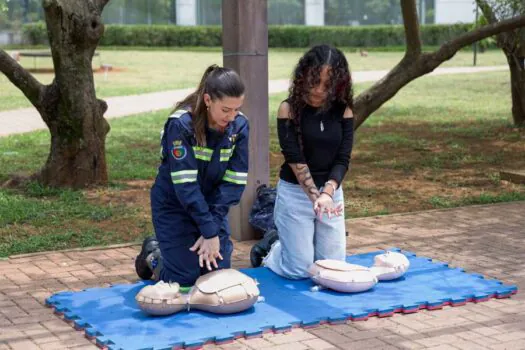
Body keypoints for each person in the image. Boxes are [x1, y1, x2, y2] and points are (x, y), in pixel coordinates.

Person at [134, 65, 249, 287]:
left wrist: (212, 229)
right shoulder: (180, 124)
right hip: (174, 204)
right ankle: (153, 255)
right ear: (208, 100)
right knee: (184, 281)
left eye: (237, 109)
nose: (232, 116)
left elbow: (234, 184)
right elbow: (185, 186)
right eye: (226, 110)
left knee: (216, 279)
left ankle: (189, 249)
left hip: (212, 206)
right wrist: (209, 231)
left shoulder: (240, 126)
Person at [254, 44, 355, 279]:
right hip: (296, 193)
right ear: (303, 76)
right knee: (299, 270)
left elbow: (343, 158)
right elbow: (295, 160)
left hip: (331, 194)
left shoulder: (344, 110)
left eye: (327, 85)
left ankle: (299, 242)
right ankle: (270, 249)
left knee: (331, 269)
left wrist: (327, 194)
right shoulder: (287, 109)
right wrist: (315, 197)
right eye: (314, 81)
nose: (319, 90)